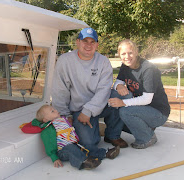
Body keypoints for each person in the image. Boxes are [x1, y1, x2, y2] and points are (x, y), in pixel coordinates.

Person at [51, 27, 128, 161]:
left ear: (97, 44)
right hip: (78, 110)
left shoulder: (103, 61)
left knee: (121, 96)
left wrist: (89, 110)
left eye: (92, 42)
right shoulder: (65, 61)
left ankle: (112, 135)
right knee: (89, 143)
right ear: (77, 42)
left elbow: (104, 89)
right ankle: (94, 132)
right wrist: (64, 115)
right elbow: (59, 90)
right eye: (85, 41)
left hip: (98, 105)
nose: (88, 45)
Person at [108, 39, 170, 149]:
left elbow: (147, 99)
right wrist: (119, 85)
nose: (127, 56)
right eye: (123, 54)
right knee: (121, 113)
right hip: (142, 109)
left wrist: (122, 102)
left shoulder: (148, 69)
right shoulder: (125, 65)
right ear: (119, 55)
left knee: (124, 112)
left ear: (136, 52)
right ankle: (145, 127)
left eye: (130, 52)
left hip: (158, 112)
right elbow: (118, 81)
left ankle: (147, 137)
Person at [32, 104, 120, 170]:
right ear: (45, 119)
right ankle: (84, 162)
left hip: (74, 144)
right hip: (63, 151)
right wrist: (54, 158)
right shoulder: (48, 129)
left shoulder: (62, 120)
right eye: (52, 111)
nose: (55, 110)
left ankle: (105, 153)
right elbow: (49, 145)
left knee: (86, 147)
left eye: (54, 109)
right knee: (71, 149)